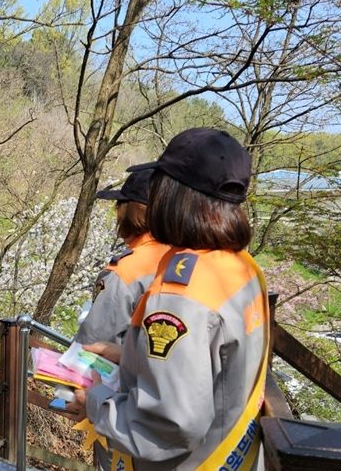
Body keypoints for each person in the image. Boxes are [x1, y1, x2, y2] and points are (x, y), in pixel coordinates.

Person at [70, 128, 270, 471]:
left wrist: (96, 403)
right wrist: (131, 355)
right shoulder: (241, 268)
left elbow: (168, 426)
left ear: (175, 194)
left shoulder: (181, 292)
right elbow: (211, 363)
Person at [74, 169, 168, 471]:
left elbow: (94, 342)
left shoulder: (126, 270)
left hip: (122, 406)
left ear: (129, 212)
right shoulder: (176, 257)